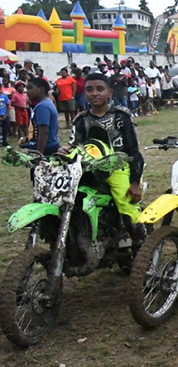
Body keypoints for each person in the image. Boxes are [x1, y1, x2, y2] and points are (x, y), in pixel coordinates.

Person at [68, 72, 145, 249]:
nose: (94, 93)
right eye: (89, 90)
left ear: (110, 92)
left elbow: (133, 150)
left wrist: (134, 182)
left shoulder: (121, 116)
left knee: (127, 208)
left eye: (100, 89)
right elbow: (74, 144)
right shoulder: (81, 120)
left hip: (117, 168)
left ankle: (141, 242)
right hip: (86, 169)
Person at [22, 77, 59, 156]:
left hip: (46, 149)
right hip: (47, 147)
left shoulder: (43, 107)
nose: (27, 91)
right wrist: (27, 139)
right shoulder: (44, 104)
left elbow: (44, 132)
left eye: (30, 88)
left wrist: (39, 155)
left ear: (41, 89)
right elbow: (37, 130)